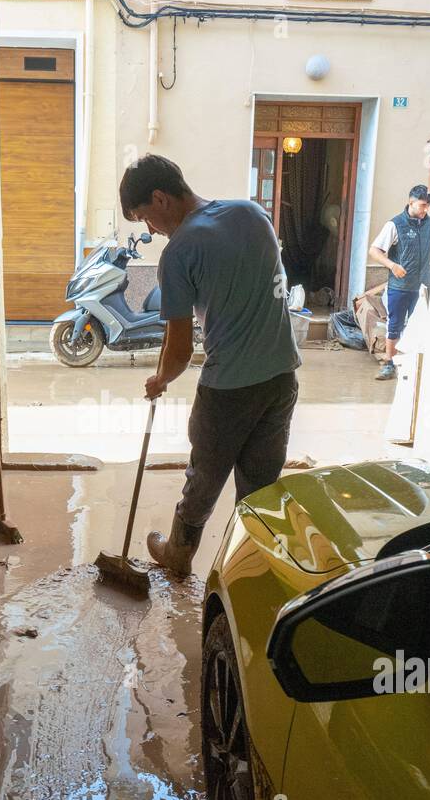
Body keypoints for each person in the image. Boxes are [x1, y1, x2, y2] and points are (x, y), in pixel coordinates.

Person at [119, 154, 301, 575]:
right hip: (281, 377)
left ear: (160, 198)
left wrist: (160, 378)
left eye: (145, 216)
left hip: (229, 390)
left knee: (203, 478)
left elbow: (180, 351)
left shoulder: (179, 253)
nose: (149, 228)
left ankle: (178, 557)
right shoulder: (252, 212)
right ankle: (248, 567)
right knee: (260, 486)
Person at [367, 184, 430, 380]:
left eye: (428, 206)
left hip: (422, 287)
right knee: (395, 324)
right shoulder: (395, 224)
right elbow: (374, 250)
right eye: (422, 205)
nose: (425, 210)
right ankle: (389, 363)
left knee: (419, 325)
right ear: (411, 202)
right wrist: (392, 265)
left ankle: (412, 365)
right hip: (400, 287)